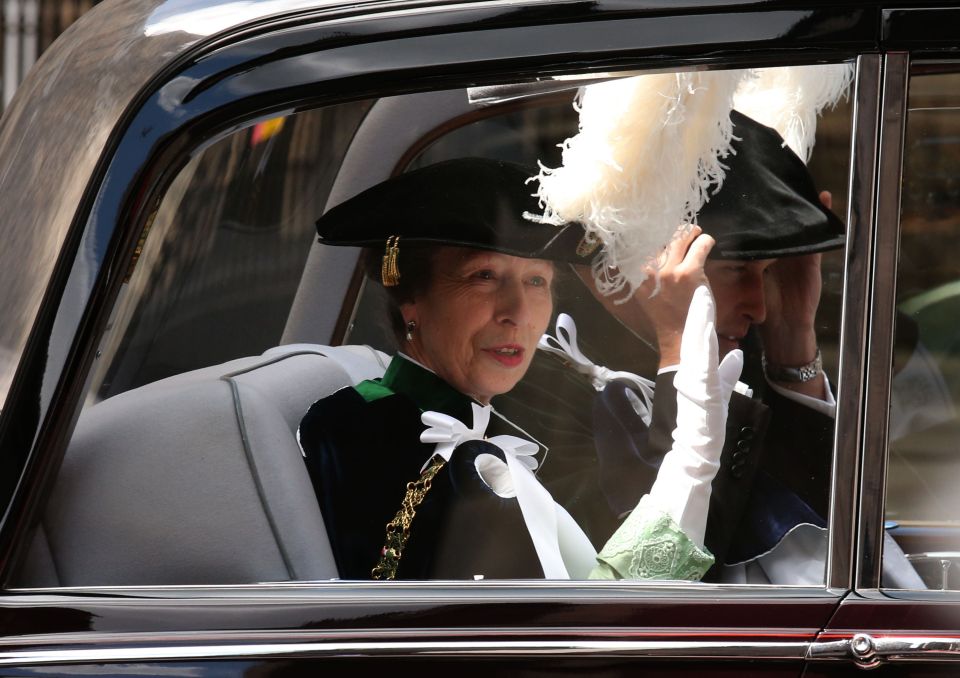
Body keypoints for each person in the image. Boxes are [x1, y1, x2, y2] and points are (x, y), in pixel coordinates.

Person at [297, 157, 742, 581]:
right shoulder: (372, 431)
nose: (517, 312)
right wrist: (693, 457)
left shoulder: (474, 425)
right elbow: (597, 626)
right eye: (484, 276)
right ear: (411, 298)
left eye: (536, 281)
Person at [495, 111, 850, 584]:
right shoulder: (521, 375)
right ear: (641, 259)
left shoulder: (739, 349)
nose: (759, 308)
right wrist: (681, 351)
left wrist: (793, 349)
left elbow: (823, 525)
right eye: (737, 271)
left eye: (765, 274)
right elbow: (650, 580)